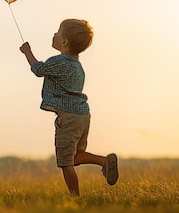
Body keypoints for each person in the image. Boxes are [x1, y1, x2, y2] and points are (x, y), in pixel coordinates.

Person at [19, 19, 118, 196]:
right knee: (75, 156)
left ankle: (75, 197)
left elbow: (38, 69)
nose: (54, 34)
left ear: (64, 42)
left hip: (69, 117)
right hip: (83, 115)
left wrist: (27, 52)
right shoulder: (77, 66)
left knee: (66, 162)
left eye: (58, 32)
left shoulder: (60, 62)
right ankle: (103, 161)